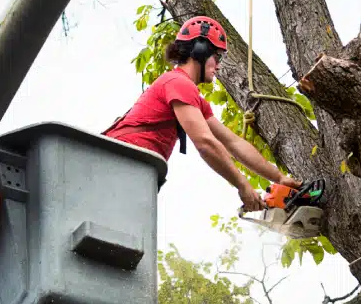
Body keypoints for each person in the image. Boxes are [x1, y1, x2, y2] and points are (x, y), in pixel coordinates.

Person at [102, 16, 301, 212]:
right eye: (217, 57)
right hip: (116, 161)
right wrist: (243, 185)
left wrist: (279, 178)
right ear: (200, 50)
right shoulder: (178, 83)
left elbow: (233, 143)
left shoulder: (191, 97)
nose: (219, 65)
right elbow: (205, 143)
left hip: (132, 167)